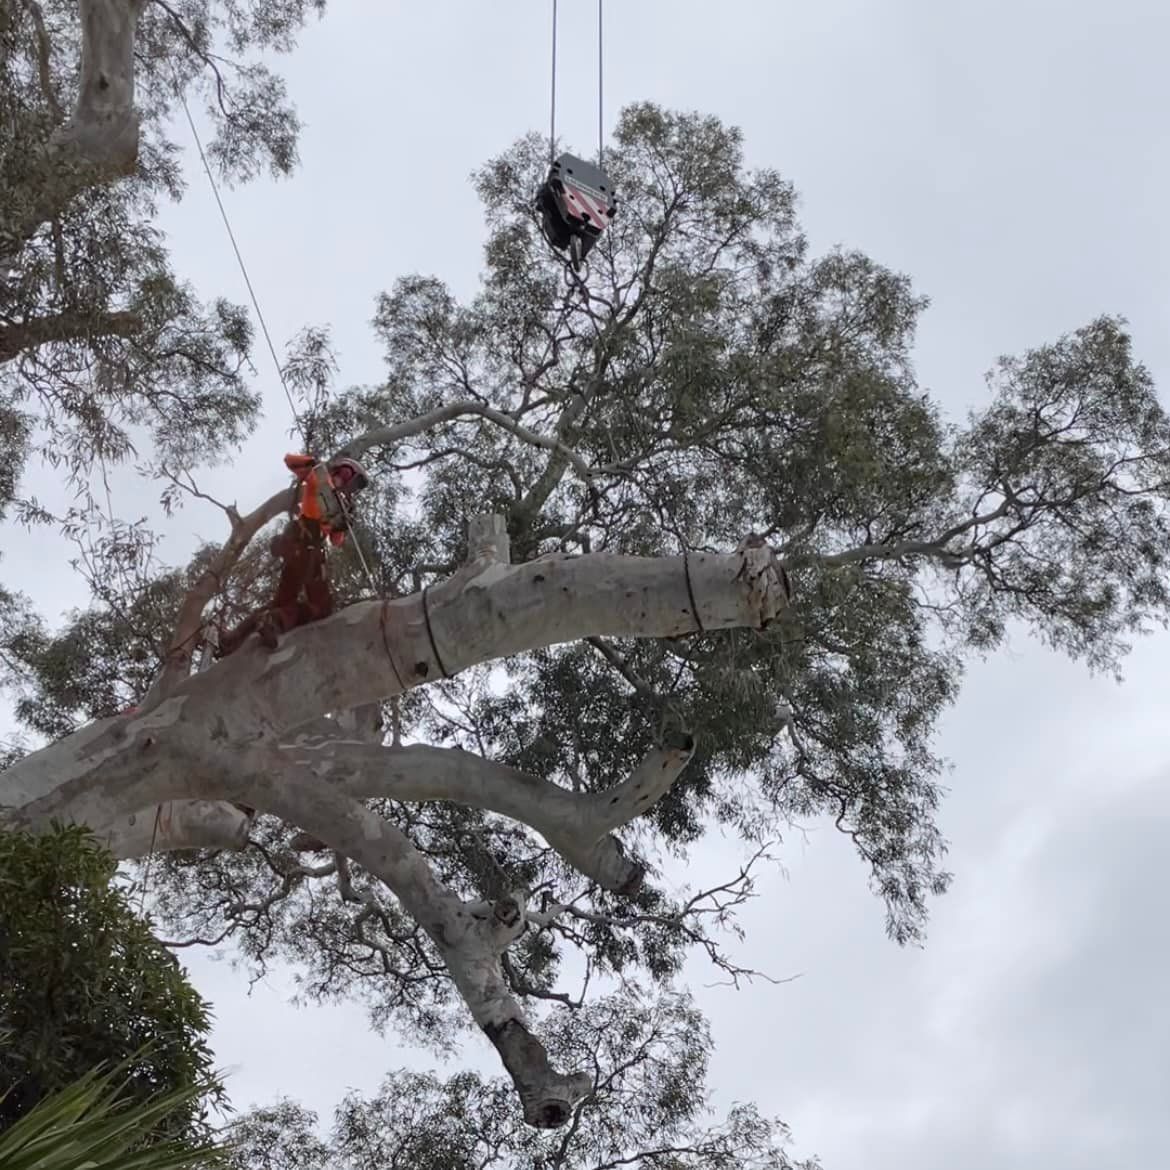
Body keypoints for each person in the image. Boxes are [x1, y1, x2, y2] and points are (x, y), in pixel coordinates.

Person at [217, 453, 369, 657]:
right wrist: (313, 464)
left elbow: (336, 541)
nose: (350, 485)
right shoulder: (319, 479)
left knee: (282, 604)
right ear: (340, 470)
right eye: (349, 476)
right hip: (303, 542)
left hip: (308, 549)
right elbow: (290, 461)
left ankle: (234, 639)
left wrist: (344, 524)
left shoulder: (341, 507)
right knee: (321, 608)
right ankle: (273, 622)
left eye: (355, 485)